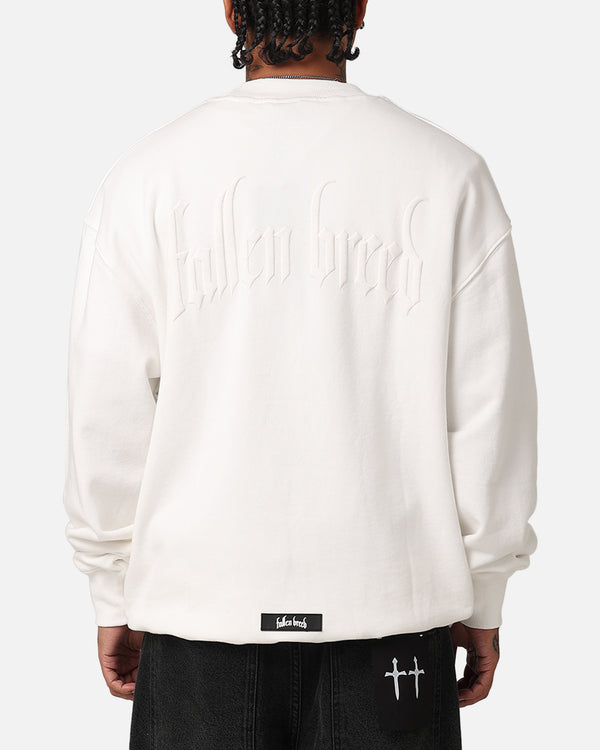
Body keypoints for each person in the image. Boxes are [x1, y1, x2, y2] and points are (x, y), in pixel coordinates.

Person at [62, 1, 538, 748]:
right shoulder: (450, 175)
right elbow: (490, 411)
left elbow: (107, 412)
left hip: (198, 622)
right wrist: (483, 594)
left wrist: (111, 587)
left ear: (230, 11)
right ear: (359, 8)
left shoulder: (146, 178)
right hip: (394, 621)